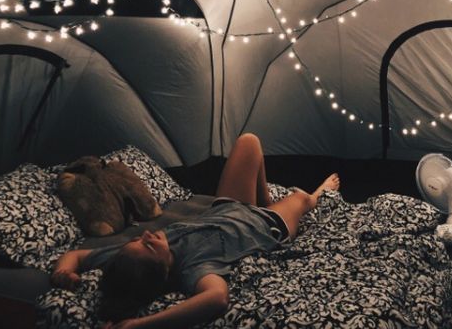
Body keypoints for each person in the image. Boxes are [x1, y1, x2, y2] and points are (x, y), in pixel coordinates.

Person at [50, 133, 340, 329]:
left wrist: (64, 272)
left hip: (226, 207)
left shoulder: (126, 257)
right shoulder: (193, 270)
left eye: (141, 239)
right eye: (151, 246)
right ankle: (318, 193)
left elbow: (76, 254)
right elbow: (217, 299)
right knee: (302, 198)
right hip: (265, 225)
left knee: (249, 141)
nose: (148, 235)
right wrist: (141, 325)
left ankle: (267, 201)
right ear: (164, 271)